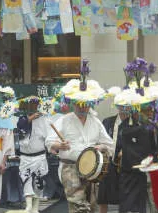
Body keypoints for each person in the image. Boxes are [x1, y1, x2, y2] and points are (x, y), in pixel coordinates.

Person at [45, 77, 114, 213]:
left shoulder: (95, 121)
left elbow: (109, 143)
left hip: (92, 169)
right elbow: (49, 141)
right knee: (78, 205)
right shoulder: (64, 120)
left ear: (90, 104)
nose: (82, 108)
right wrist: (60, 145)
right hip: (70, 167)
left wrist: (101, 147)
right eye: (79, 104)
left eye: (85, 105)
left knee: (92, 205)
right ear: (73, 104)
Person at [17, 96, 49, 213]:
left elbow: (48, 137)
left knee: (39, 182)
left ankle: (35, 207)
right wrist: (30, 119)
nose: (32, 106)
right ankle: (28, 206)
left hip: (39, 155)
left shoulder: (44, 119)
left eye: (35, 104)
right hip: (25, 156)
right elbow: (20, 127)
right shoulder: (22, 118)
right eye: (30, 104)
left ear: (38, 105)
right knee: (26, 179)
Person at [97, 106, 129, 213]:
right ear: (118, 107)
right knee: (103, 196)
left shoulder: (135, 123)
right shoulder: (107, 121)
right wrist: (101, 146)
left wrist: (126, 151)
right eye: (121, 106)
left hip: (125, 164)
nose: (124, 108)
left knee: (124, 197)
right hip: (108, 161)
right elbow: (100, 139)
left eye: (127, 106)